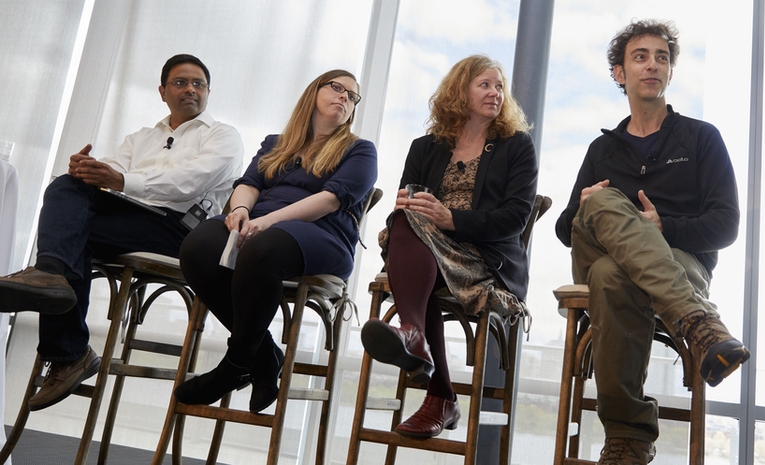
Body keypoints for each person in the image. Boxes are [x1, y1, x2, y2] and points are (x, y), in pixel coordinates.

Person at [0, 54, 244, 411]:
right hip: (131, 219)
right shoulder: (142, 137)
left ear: (208, 91)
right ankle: (53, 282)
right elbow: (110, 171)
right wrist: (88, 170)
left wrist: (119, 179)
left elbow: (188, 184)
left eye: (199, 84)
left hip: (180, 233)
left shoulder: (224, 136)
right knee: (67, 187)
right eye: (180, 82)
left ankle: (67, 346)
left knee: (70, 234)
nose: (191, 89)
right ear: (163, 91)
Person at [555, 19, 750, 465]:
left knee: (611, 276)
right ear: (619, 74)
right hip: (602, 250)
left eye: (662, 58)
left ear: (670, 73)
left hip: (681, 261)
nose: (652, 65)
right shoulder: (601, 150)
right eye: (640, 57)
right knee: (602, 202)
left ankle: (628, 437)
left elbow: (726, 225)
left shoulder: (702, 138)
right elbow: (565, 229)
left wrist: (664, 227)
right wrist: (584, 205)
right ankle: (699, 323)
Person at [173, 69, 377, 413]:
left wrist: (266, 221)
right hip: (261, 224)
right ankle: (264, 354)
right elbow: (250, 182)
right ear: (314, 92)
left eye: (352, 96)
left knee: (261, 249)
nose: (345, 97)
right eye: (337, 88)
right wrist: (239, 211)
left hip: (324, 235)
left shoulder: (360, 151)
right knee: (198, 246)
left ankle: (235, 365)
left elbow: (329, 200)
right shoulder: (275, 143)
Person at [360, 54, 538, 439]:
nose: (496, 93)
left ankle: (429, 371)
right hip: (425, 248)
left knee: (412, 235)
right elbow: (406, 201)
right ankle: (423, 356)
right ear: (460, 90)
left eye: (499, 86)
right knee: (405, 218)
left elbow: (516, 218)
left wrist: (451, 219)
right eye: (485, 84)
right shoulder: (425, 147)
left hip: (484, 258)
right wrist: (416, 210)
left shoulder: (516, 146)